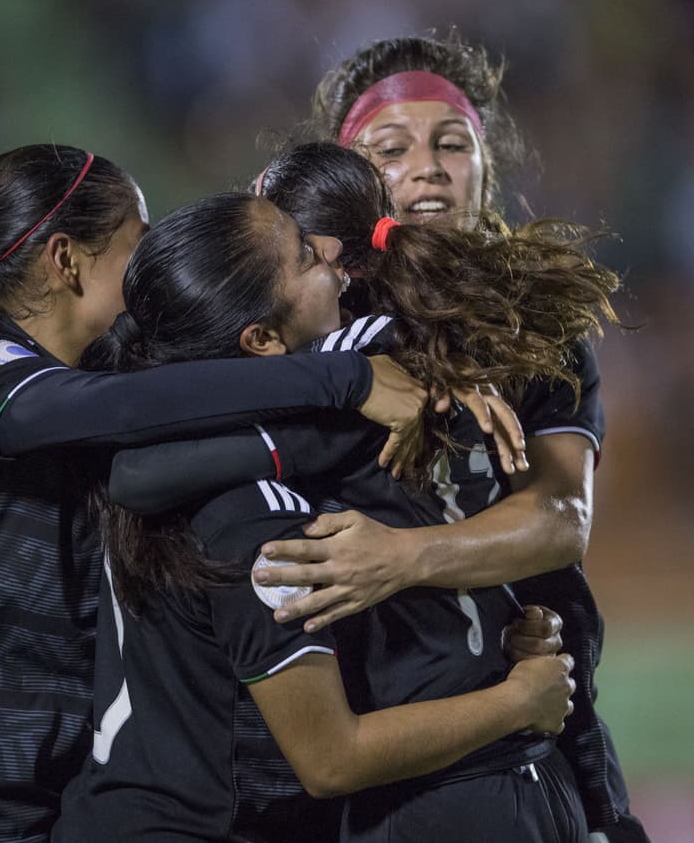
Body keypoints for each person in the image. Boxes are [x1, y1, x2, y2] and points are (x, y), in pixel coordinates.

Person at [0, 143, 434, 843]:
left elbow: (162, 434)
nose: (148, 272)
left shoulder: (95, 370)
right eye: (134, 247)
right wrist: (345, 381)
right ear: (65, 260)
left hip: (61, 783)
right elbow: (130, 407)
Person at [104, 142, 620, 841]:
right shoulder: (405, 361)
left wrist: (513, 673)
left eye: (315, 251)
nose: (330, 275)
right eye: (303, 259)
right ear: (256, 339)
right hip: (495, 776)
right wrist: (519, 687)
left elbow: (136, 468)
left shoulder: (315, 396)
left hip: (436, 793)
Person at [293, 35, 652, 843]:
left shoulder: (537, 329)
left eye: (452, 144)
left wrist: (402, 558)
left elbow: (561, 517)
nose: (427, 166)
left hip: (514, 751)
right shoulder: (298, 318)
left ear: (487, 168)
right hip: (333, 753)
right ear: (343, 180)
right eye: (392, 148)